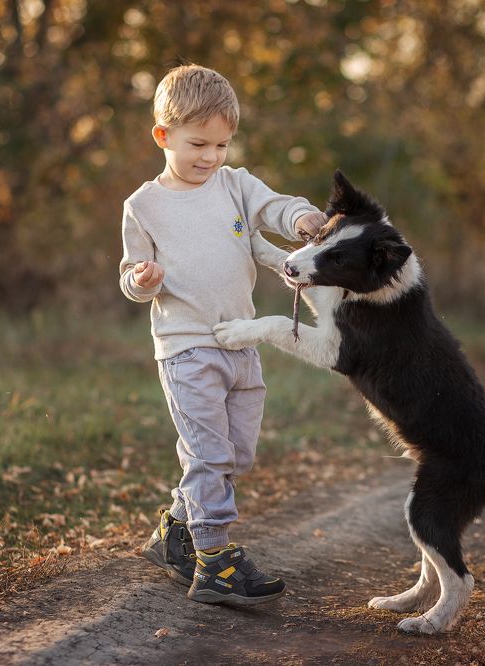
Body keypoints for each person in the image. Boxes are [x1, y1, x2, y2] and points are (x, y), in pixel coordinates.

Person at [120, 64, 326, 605]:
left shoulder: (234, 185)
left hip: (240, 345)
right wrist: (143, 280)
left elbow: (275, 206)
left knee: (235, 456)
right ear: (163, 136)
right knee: (209, 456)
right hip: (186, 350)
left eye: (222, 144)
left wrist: (302, 218)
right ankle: (213, 561)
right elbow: (130, 277)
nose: (211, 156)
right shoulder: (144, 206)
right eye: (198, 144)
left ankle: (173, 532)